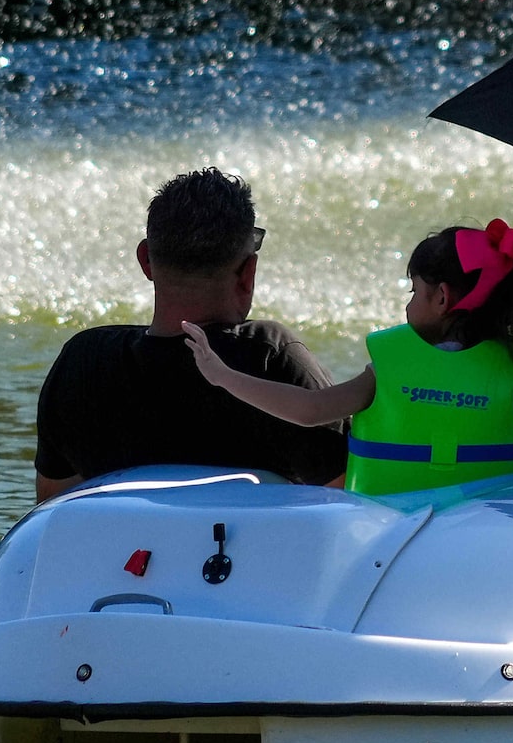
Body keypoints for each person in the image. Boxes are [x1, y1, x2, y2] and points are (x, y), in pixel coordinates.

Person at [31, 168, 351, 502]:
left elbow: (54, 508)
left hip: (126, 553)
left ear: (146, 261)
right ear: (249, 272)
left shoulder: (83, 363)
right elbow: (358, 503)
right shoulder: (271, 357)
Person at [186, 219, 513, 498]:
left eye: (413, 290)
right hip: (486, 528)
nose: (409, 302)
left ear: (442, 298)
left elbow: (310, 410)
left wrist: (222, 376)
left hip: (389, 531)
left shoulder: (390, 366)